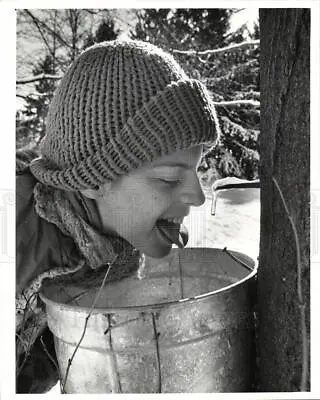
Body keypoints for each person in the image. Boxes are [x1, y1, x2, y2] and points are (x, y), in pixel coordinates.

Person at [16, 39, 219, 393]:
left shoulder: (122, 230)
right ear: (94, 181)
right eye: (170, 178)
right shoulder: (12, 238)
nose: (199, 197)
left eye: (196, 172)